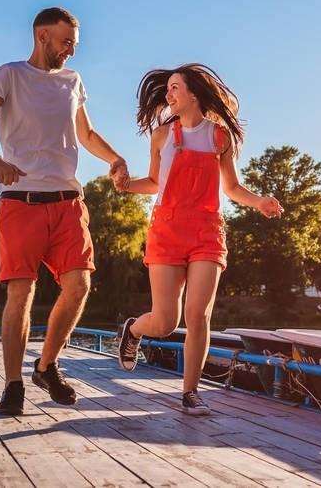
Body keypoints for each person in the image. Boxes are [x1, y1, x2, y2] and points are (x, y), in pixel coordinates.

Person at [0, 6, 129, 415]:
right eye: (66, 41)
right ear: (42, 36)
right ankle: (14, 382)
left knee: (79, 286)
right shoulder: (9, 75)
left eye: (74, 43)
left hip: (69, 203)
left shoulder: (73, 81)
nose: (71, 50)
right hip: (22, 202)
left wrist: (115, 159)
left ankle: (47, 365)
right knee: (21, 294)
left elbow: (85, 133)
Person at [115, 64, 282, 415]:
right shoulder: (162, 136)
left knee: (198, 315)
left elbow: (232, 188)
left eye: (175, 88)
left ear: (193, 93)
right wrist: (126, 185)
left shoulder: (220, 137)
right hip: (167, 229)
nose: (168, 94)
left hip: (206, 230)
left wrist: (260, 202)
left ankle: (190, 393)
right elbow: (154, 183)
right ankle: (133, 330)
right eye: (168, 88)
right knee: (165, 322)